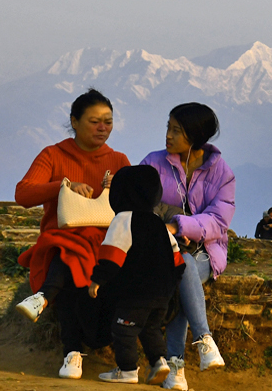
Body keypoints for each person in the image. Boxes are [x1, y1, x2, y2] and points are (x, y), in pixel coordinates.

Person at [14, 88, 131, 379]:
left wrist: (119, 188)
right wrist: (63, 185)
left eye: (108, 121)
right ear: (74, 121)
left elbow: (137, 205)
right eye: (94, 121)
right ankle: (71, 352)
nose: (103, 127)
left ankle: (45, 301)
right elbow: (24, 193)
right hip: (62, 238)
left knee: (72, 262)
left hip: (103, 240)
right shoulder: (54, 155)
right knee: (68, 253)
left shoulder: (118, 160)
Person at [141, 102, 233, 390]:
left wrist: (180, 224)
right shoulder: (153, 163)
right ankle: (205, 342)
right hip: (161, 248)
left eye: (176, 130)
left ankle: (176, 368)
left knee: (185, 267)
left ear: (194, 136)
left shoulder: (221, 172)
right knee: (183, 267)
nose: (168, 136)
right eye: (168, 127)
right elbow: (139, 204)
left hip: (207, 251)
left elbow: (219, 220)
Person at [88, 165, 186, 385]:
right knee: (151, 328)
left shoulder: (123, 219)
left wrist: (97, 280)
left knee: (123, 329)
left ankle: (127, 370)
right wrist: (171, 285)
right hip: (162, 294)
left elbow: (112, 255)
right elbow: (178, 261)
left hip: (135, 293)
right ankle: (159, 361)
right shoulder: (159, 224)